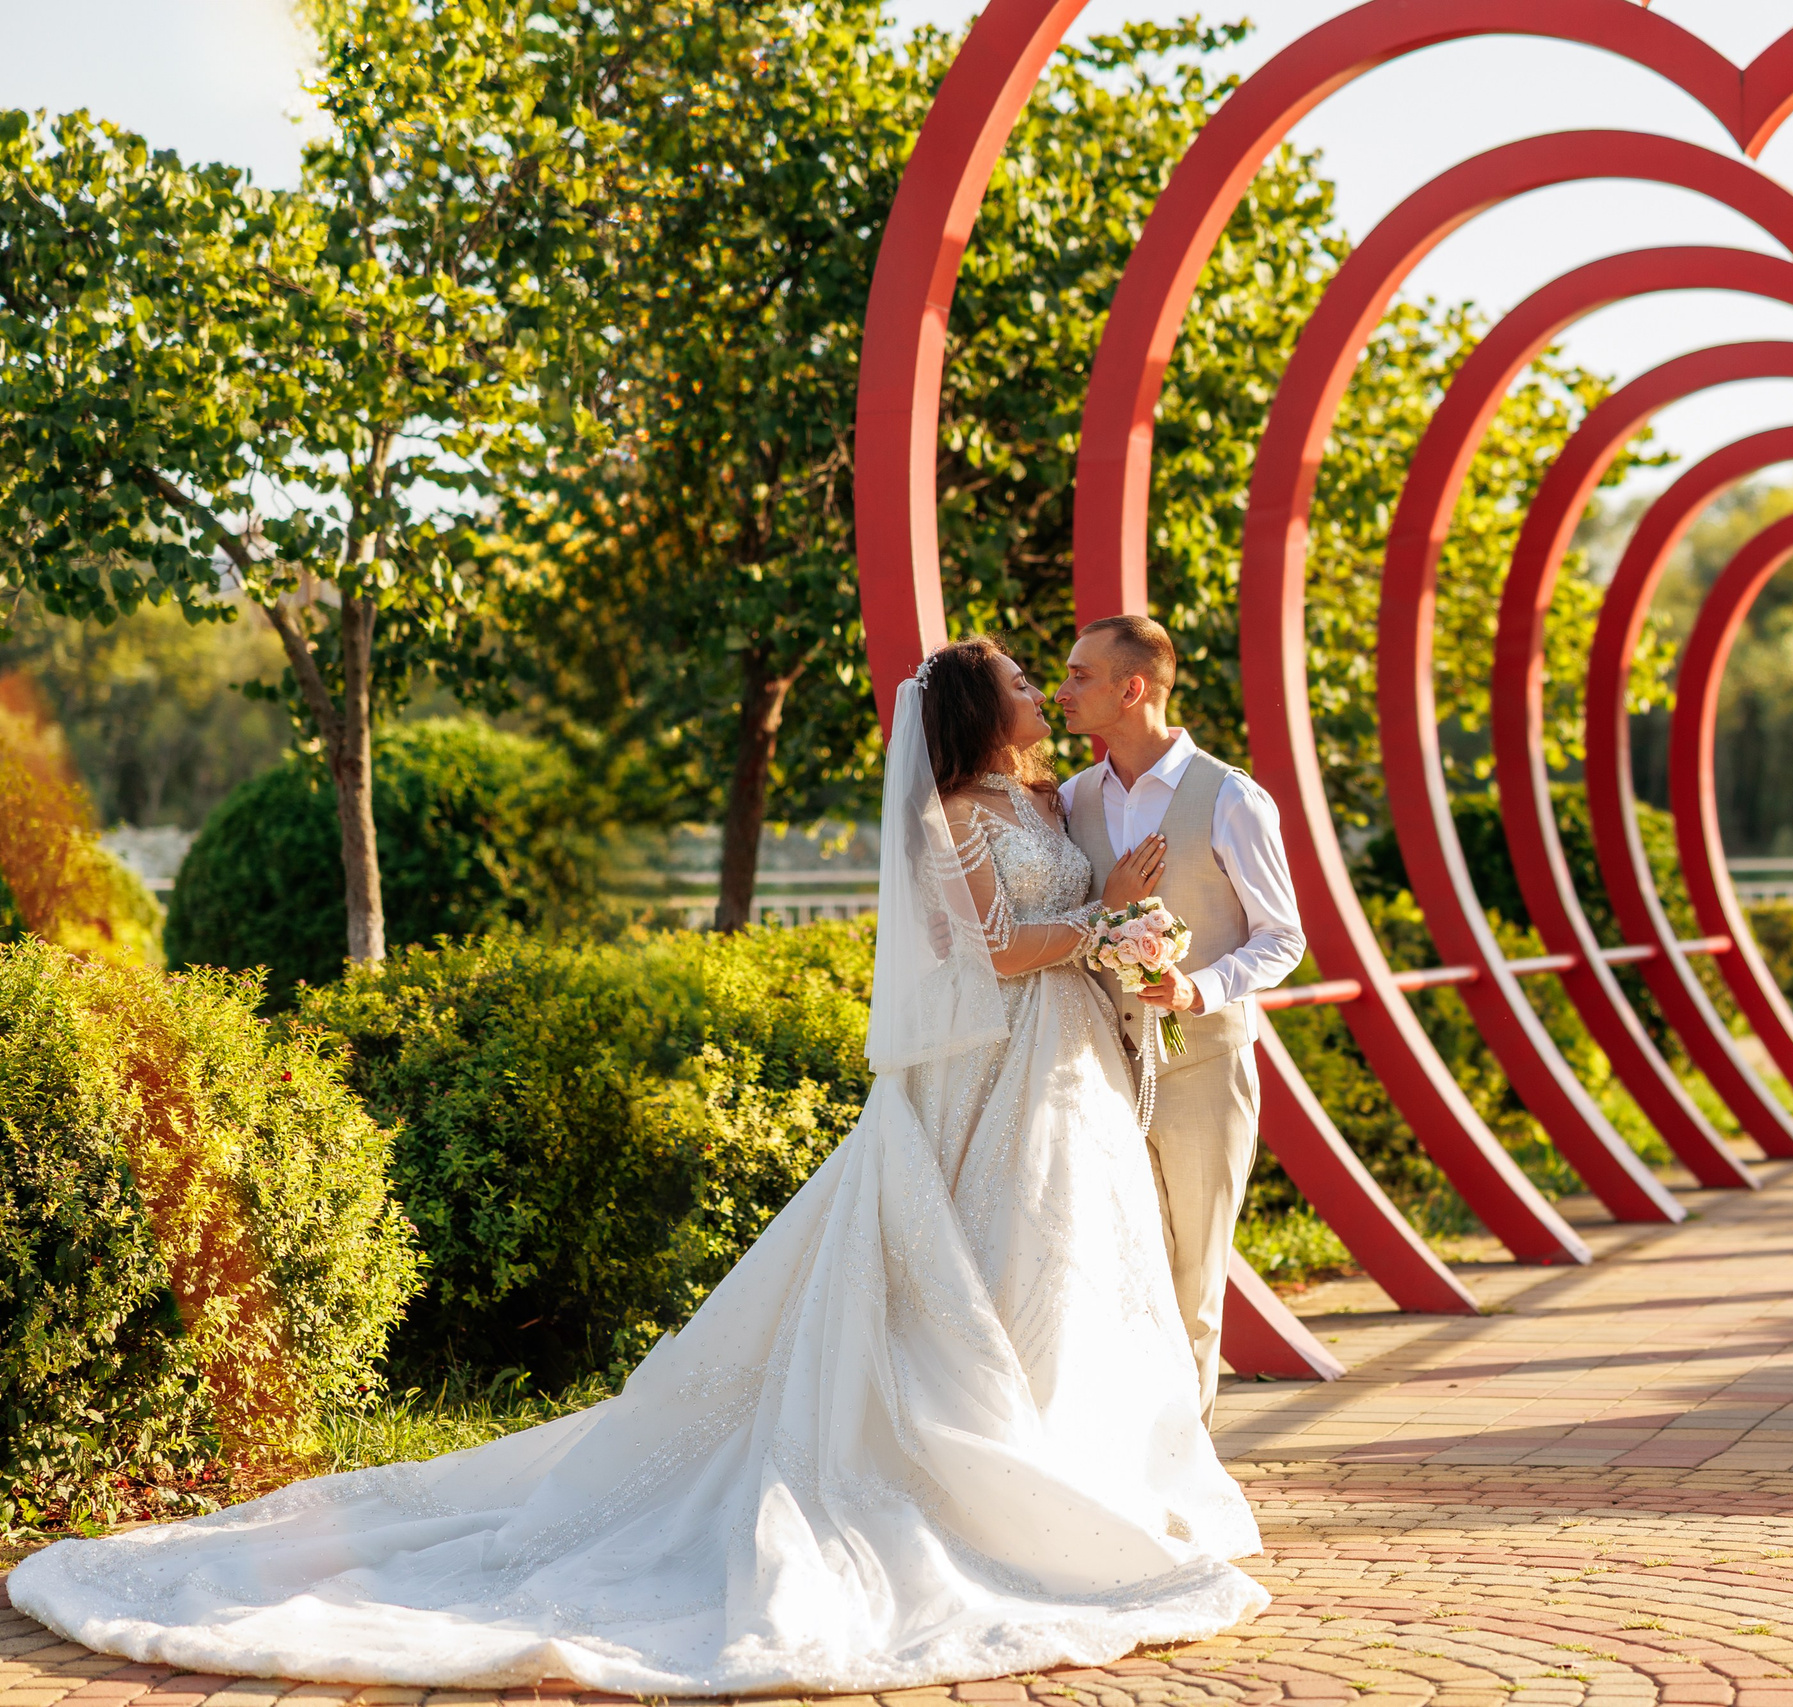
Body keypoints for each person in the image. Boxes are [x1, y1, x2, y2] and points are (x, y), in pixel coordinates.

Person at [7, 637, 1271, 1696]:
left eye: (1056, 678)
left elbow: (1102, 905)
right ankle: (997, 1491)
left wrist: (1118, 919)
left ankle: (1079, 1464)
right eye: (1024, 682)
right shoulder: (953, 816)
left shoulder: (1052, 801)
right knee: (991, 1271)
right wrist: (1104, 920)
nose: (1044, 692)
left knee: (1064, 1269)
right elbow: (993, 949)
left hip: (1067, 1069)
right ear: (979, 715)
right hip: (997, 1068)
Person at [1051, 615, 1307, 1424]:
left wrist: (1201, 987)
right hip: (1099, 1072)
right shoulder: (1070, 800)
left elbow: (1284, 936)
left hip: (1205, 1070)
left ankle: (1186, 1464)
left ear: (1133, 688)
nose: (1062, 690)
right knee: (1122, 1273)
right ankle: (1131, 1456)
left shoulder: (1230, 796)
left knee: (1193, 1282)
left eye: (1080, 675)